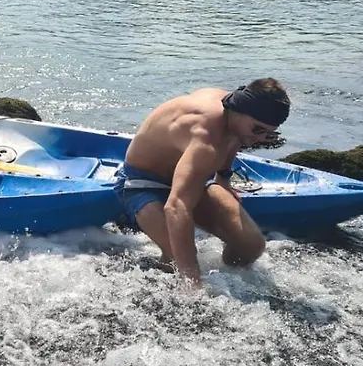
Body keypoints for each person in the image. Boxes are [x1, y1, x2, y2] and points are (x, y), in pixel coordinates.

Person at [114, 78, 291, 286]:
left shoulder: (235, 110)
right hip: (142, 183)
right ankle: (158, 284)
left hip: (195, 178)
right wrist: (193, 282)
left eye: (270, 133)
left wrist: (223, 178)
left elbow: (234, 138)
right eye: (258, 130)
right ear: (240, 110)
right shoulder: (205, 136)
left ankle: (230, 280)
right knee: (177, 259)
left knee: (251, 246)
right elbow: (176, 206)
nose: (261, 139)